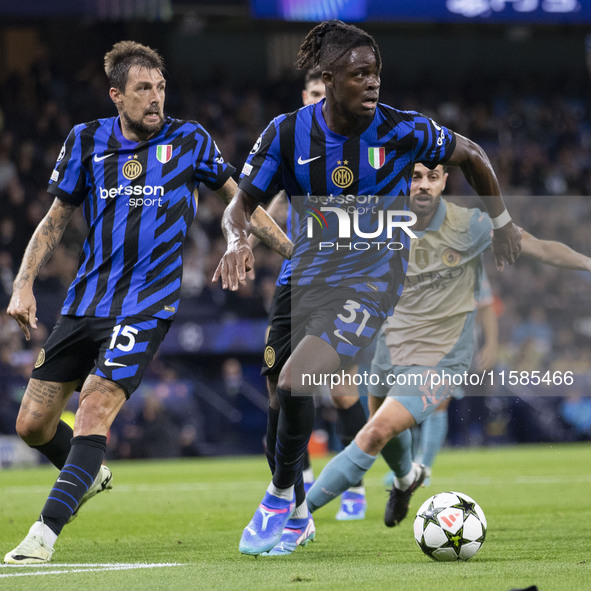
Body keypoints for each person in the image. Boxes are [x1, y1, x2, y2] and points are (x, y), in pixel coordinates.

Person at [214, 20, 520, 557]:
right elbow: (241, 204)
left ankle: (280, 498)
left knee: (296, 382)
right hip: (303, 277)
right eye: (360, 74)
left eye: (376, 73)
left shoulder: (403, 130)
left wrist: (503, 223)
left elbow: (472, 155)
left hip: (372, 279)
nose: (373, 84)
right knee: (278, 403)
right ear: (328, 80)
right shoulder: (287, 133)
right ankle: (315, 507)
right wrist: (238, 239)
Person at [4, 41, 290, 565]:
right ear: (117, 96)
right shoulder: (85, 141)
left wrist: (292, 253)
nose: (156, 98)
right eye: (143, 89)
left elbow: (242, 202)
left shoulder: (190, 140)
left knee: (93, 406)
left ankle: (43, 535)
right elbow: (53, 222)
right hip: (85, 302)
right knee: (32, 426)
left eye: (160, 87)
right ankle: (87, 472)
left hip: (146, 304)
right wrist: (22, 285)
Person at [306, 163, 591, 528]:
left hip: (441, 356)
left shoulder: (469, 224)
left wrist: (584, 261)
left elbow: (537, 247)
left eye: (432, 177)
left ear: (443, 182)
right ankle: (406, 478)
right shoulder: (379, 222)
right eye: (415, 177)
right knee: (383, 430)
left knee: (374, 431)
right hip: (389, 349)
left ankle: (296, 517)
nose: (423, 185)